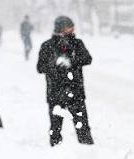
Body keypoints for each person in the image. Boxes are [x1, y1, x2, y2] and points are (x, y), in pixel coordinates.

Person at [37, 16, 94, 146]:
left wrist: (71, 62)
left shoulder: (77, 43)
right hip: (55, 94)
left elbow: (87, 59)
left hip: (76, 92)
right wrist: (54, 64)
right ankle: (56, 154)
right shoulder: (47, 46)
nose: (72, 29)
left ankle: (89, 153)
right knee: (55, 129)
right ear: (60, 28)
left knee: (83, 127)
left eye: (72, 27)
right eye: (69, 27)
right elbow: (40, 67)